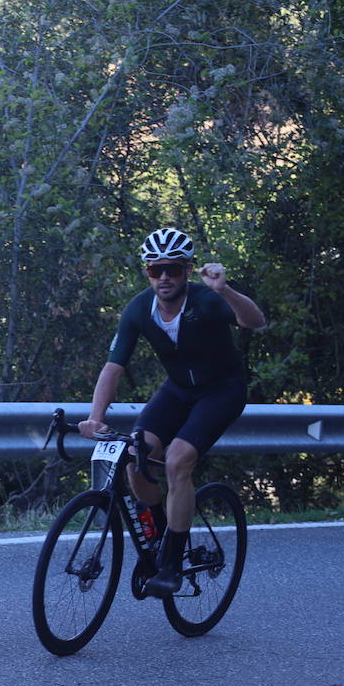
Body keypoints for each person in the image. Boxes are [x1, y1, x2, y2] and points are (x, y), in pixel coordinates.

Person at [78, 227, 265, 597]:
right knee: (134, 455)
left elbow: (255, 322)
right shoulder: (138, 310)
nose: (164, 277)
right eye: (155, 270)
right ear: (147, 272)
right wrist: (95, 416)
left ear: (187, 270)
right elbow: (113, 368)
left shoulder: (206, 300)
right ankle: (165, 532)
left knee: (178, 460)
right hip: (178, 391)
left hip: (221, 391)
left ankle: (172, 564)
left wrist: (224, 290)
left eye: (173, 270)